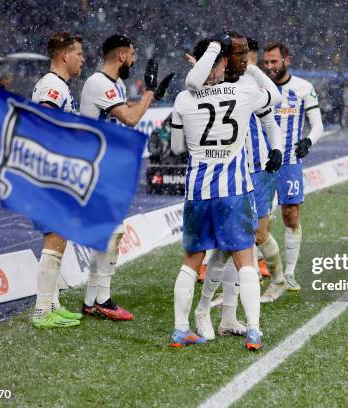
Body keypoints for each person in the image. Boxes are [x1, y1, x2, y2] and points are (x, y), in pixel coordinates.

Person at [170, 37, 281, 350]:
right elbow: (272, 96)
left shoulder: (182, 100)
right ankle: (254, 331)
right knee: (245, 259)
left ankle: (180, 329)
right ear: (223, 63)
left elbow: (178, 148)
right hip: (234, 190)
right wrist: (253, 69)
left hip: (198, 191)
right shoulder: (243, 91)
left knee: (191, 261)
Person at [79, 34, 173, 320]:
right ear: (121, 55)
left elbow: (128, 111)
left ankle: (91, 300)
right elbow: (131, 119)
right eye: (132, 54)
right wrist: (148, 93)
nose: (134, 60)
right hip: (95, 169)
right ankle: (103, 300)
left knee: (107, 235)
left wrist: (151, 96)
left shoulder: (113, 84)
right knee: (112, 233)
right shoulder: (98, 83)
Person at [29, 32, 84, 328]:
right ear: (64, 55)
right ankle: (41, 311)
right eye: (78, 53)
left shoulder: (58, 86)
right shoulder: (51, 86)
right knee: (54, 240)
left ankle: (52, 303)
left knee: (57, 240)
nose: (82, 59)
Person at [262, 41, 325, 291]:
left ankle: (288, 273)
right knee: (258, 222)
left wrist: (309, 140)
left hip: (289, 163)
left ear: (286, 61)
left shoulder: (303, 88)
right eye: (266, 62)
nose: (269, 67)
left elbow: (318, 124)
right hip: (261, 165)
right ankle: (260, 267)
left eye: (274, 62)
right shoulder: (258, 88)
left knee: (291, 215)